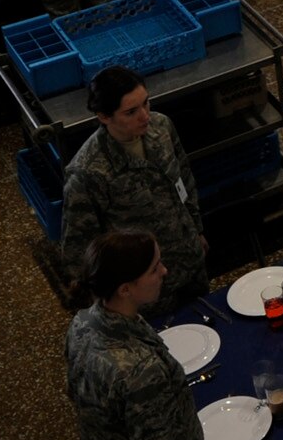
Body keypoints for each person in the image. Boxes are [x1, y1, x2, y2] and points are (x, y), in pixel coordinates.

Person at [60, 67, 208, 319]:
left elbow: (184, 179)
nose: (145, 116)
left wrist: (197, 229)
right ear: (104, 116)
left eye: (146, 103)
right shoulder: (89, 172)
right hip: (145, 294)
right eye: (131, 112)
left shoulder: (161, 128)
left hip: (190, 265)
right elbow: (78, 248)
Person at [63, 230, 212, 440]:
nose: (164, 271)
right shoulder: (141, 371)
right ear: (125, 289)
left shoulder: (81, 323)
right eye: (154, 269)